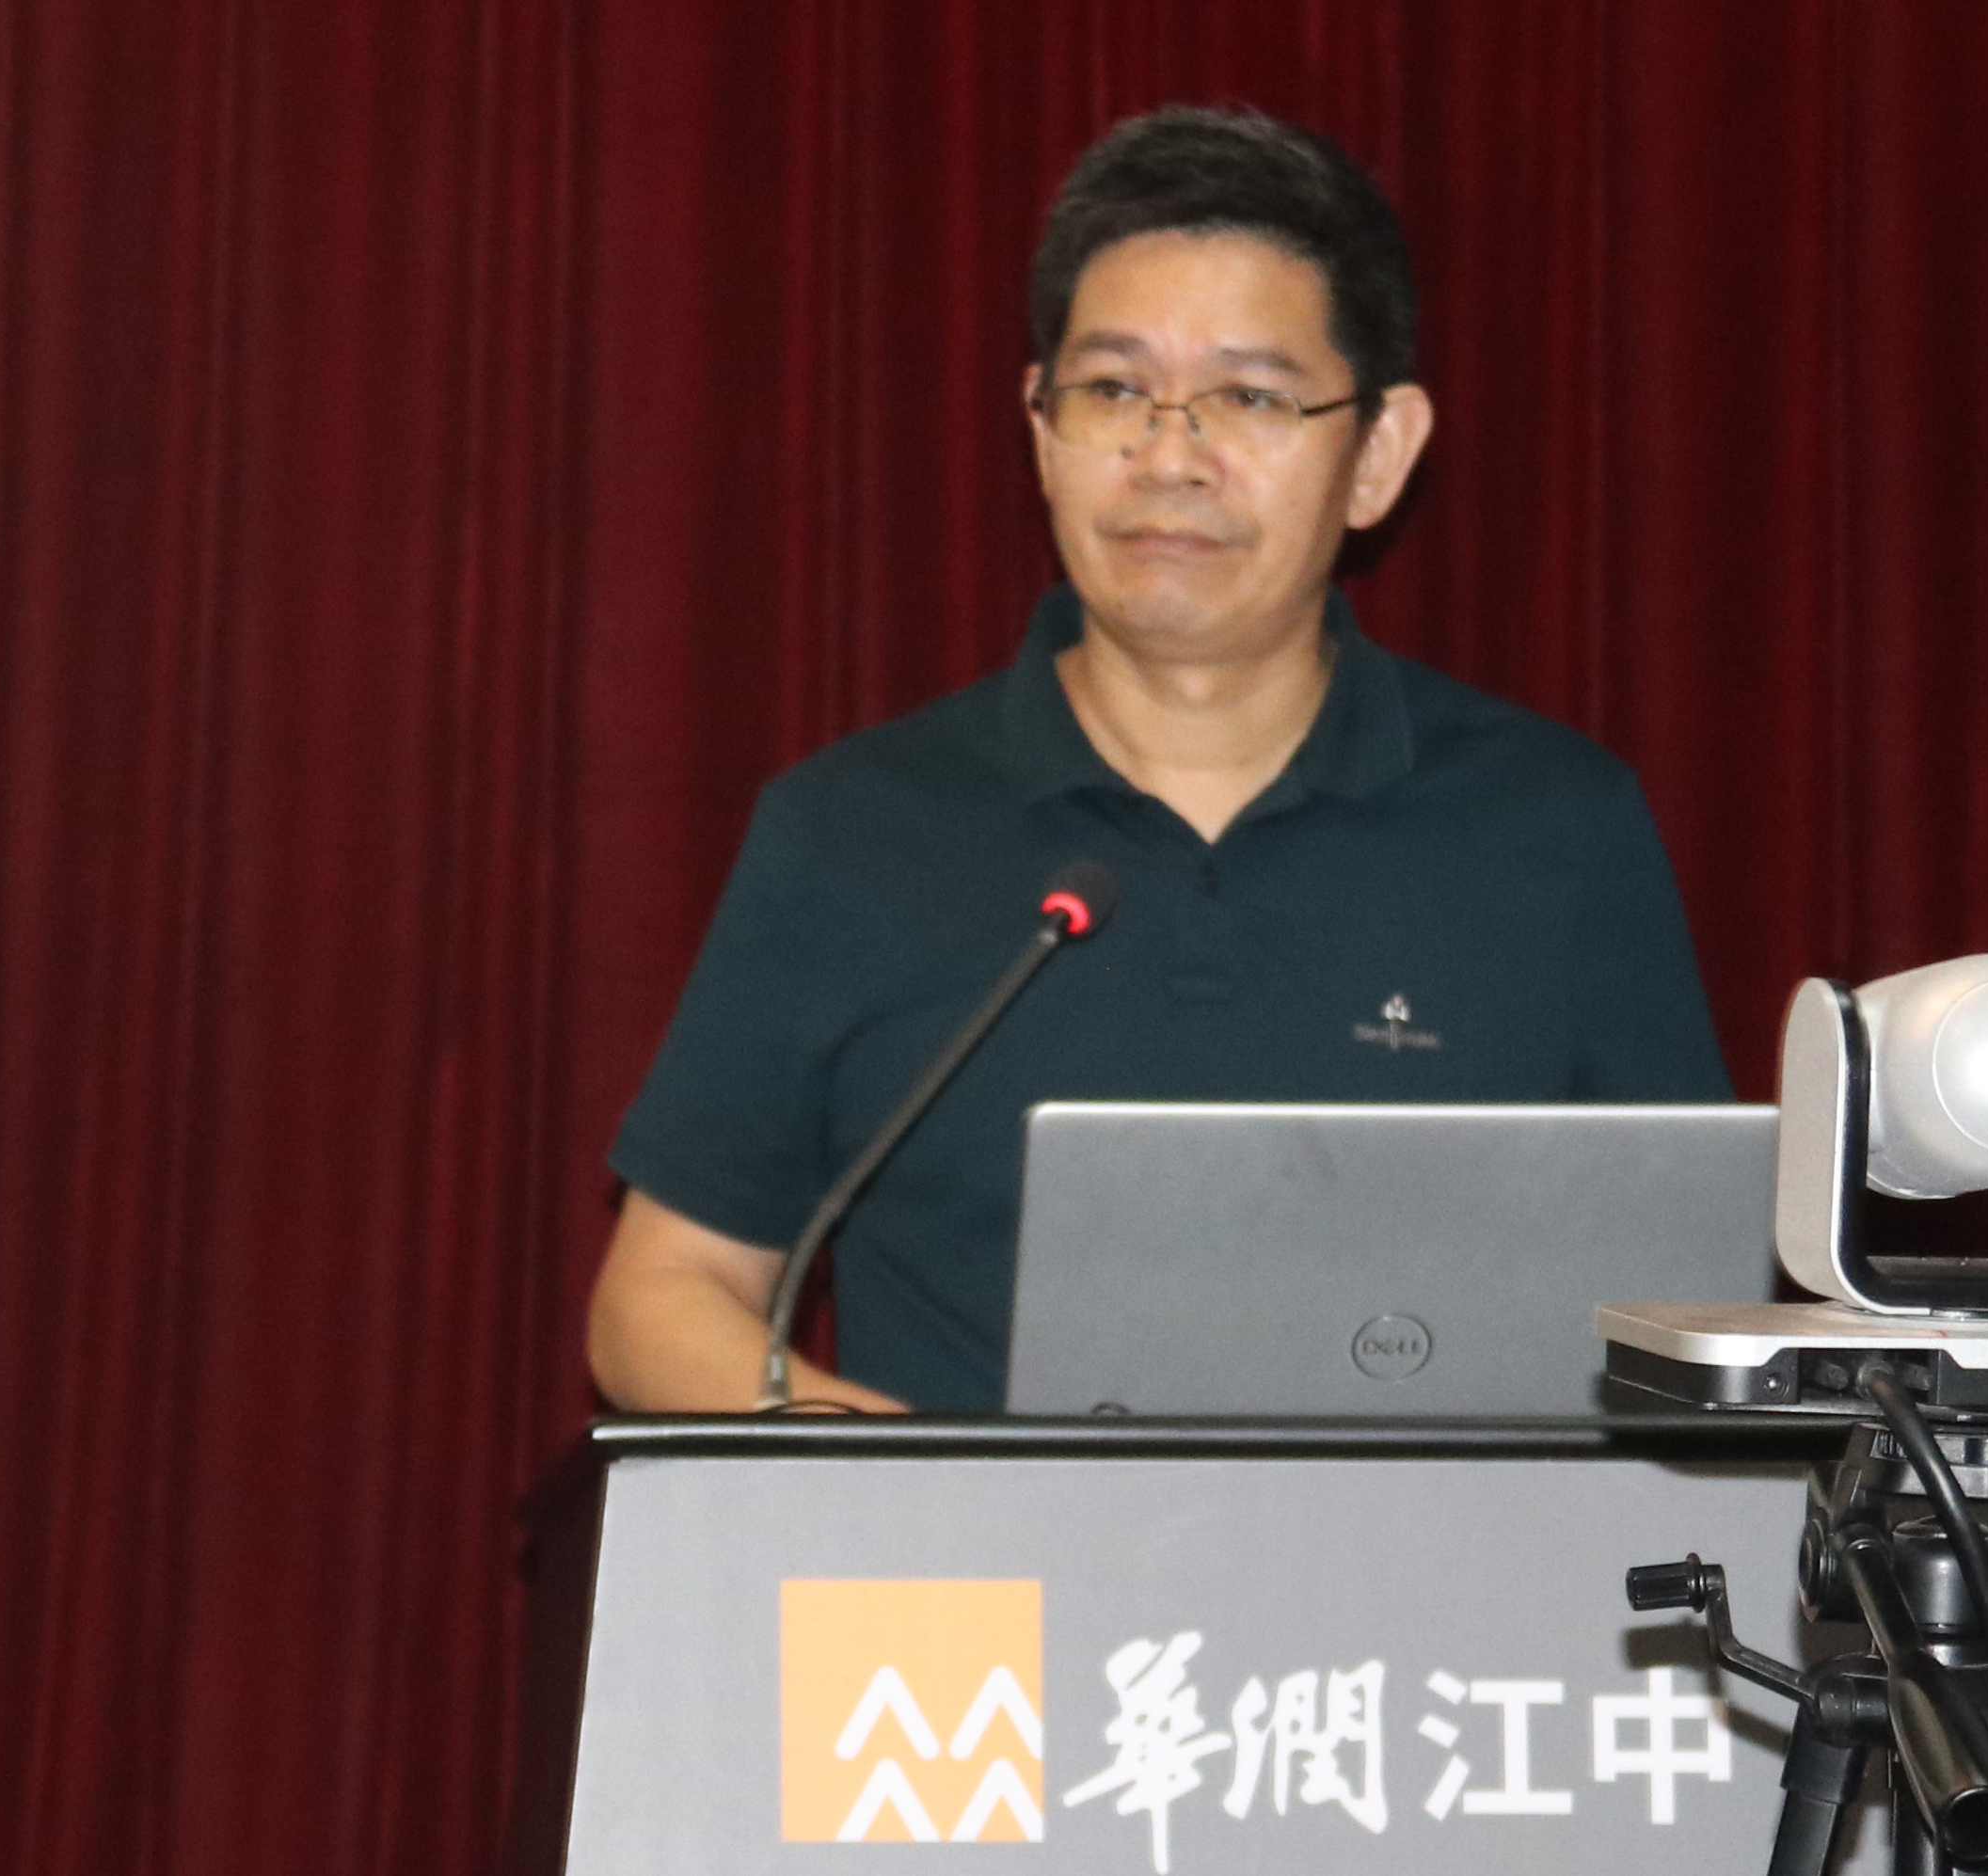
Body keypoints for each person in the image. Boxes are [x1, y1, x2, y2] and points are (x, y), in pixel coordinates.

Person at [588, 106, 1729, 1415]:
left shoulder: (1555, 831)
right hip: (978, 1550)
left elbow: (1688, 1311)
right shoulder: (852, 832)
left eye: (1249, 397)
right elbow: (661, 1293)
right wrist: (890, 1475)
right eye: (1114, 390)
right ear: (1041, 430)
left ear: (1378, 453)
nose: (1170, 455)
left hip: (1431, 1552)